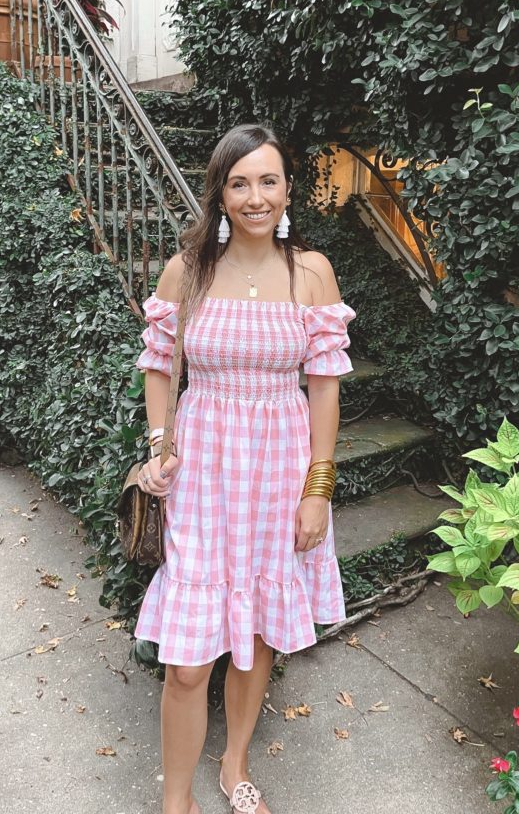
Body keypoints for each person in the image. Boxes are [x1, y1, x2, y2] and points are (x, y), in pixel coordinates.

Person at [135, 124, 355, 814]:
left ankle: (233, 766)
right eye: (239, 183)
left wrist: (316, 491)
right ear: (220, 194)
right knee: (186, 662)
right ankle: (177, 800)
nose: (254, 196)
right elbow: (158, 364)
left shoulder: (312, 272)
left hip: (279, 469)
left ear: (288, 189)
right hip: (204, 472)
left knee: (256, 631)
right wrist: (158, 446)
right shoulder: (188, 270)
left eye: (268, 180)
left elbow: (324, 385)